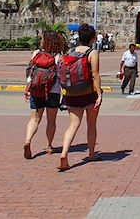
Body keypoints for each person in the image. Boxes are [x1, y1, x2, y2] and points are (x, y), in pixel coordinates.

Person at [58, 23, 103, 171]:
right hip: (88, 93)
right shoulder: (92, 53)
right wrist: (99, 94)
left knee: (73, 125)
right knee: (91, 124)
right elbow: (95, 75)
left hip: (71, 93)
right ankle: (91, 153)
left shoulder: (70, 52)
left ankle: (64, 153)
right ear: (92, 38)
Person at [24, 31, 65, 159]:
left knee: (35, 119)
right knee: (51, 120)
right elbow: (62, 77)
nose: (40, 41)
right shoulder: (58, 57)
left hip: (37, 90)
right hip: (53, 92)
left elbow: (29, 71)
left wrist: (29, 86)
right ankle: (49, 145)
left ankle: (28, 140)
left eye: (41, 39)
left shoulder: (36, 53)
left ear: (45, 41)